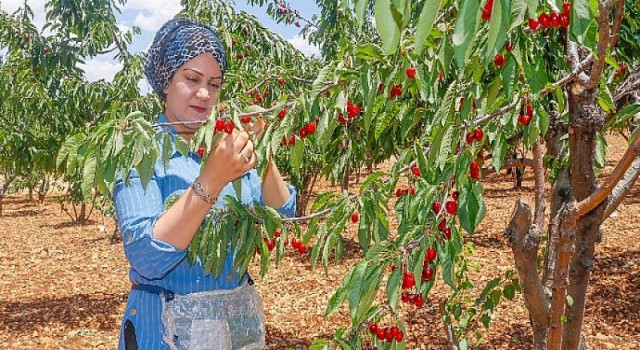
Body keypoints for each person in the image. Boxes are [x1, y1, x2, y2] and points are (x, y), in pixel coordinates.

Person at [113, 17, 296, 350]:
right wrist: (211, 179)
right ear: (165, 81)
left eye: (214, 84)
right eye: (191, 79)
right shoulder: (140, 152)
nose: (204, 93)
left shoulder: (224, 144)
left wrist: (263, 152)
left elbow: (282, 214)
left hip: (237, 328)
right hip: (164, 332)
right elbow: (147, 256)